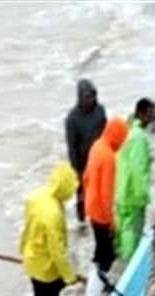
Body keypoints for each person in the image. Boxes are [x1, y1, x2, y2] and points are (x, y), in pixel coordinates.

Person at [19, 161, 85, 296]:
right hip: (44, 266)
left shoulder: (39, 195)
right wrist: (69, 275)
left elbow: (27, 226)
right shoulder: (52, 213)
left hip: (33, 255)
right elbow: (57, 250)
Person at [82, 116, 129, 296]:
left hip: (91, 207)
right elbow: (106, 193)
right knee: (107, 256)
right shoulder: (109, 157)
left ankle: (95, 287)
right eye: (121, 139)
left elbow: (86, 177)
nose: (121, 143)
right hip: (101, 212)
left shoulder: (96, 146)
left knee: (101, 251)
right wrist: (110, 220)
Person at [115, 98, 155, 262]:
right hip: (133, 194)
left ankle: (122, 264)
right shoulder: (139, 137)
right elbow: (138, 169)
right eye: (150, 114)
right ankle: (130, 265)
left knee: (123, 229)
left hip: (121, 189)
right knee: (131, 233)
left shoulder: (127, 131)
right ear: (142, 113)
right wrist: (143, 195)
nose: (152, 118)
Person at [65, 79, 106, 226]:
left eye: (93, 96)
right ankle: (81, 223)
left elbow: (105, 133)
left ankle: (98, 219)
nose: (92, 100)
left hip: (100, 160)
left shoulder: (100, 111)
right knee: (82, 196)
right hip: (82, 163)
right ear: (80, 97)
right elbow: (71, 146)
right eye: (88, 97)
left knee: (100, 193)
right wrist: (76, 169)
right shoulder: (72, 119)